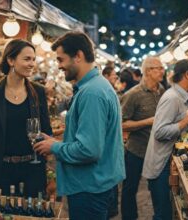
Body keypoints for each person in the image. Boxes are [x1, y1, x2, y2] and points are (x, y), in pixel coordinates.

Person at [33, 32, 125, 219]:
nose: (59, 66)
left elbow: (89, 150)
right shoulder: (96, 86)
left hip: (89, 188)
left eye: (61, 59)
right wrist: (58, 140)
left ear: (78, 56)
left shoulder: (91, 93)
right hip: (96, 184)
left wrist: (55, 147)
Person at [0, 39, 52, 197]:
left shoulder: (38, 92)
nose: (32, 64)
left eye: (33, 59)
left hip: (32, 169)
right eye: (26, 59)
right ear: (10, 60)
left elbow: (46, 131)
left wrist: (49, 169)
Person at [142, 59, 188, 220]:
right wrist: (184, 122)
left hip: (172, 162)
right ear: (187, 75)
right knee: (163, 214)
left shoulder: (185, 97)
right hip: (161, 166)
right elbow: (159, 131)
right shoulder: (172, 98)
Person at [120, 57, 165, 220]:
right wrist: (148, 121)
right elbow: (122, 124)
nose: (162, 70)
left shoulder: (162, 91)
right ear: (148, 71)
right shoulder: (133, 95)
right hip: (136, 151)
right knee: (130, 189)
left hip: (157, 151)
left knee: (157, 188)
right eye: (158, 68)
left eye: (162, 67)